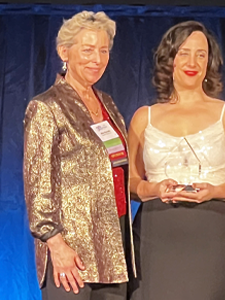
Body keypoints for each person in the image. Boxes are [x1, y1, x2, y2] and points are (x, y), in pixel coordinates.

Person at [128, 20, 225, 300]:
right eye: (184, 52)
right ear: (169, 58)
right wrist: (155, 189)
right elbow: (131, 182)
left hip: (209, 234)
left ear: (210, 63)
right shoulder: (143, 117)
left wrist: (215, 191)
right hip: (154, 234)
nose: (193, 61)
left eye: (201, 54)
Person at [23, 11, 134, 300]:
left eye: (103, 50)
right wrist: (55, 244)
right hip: (71, 253)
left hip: (112, 248)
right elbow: (37, 187)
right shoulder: (46, 107)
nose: (96, 59)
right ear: (64, 52)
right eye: (87, 50)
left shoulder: (107, 104)